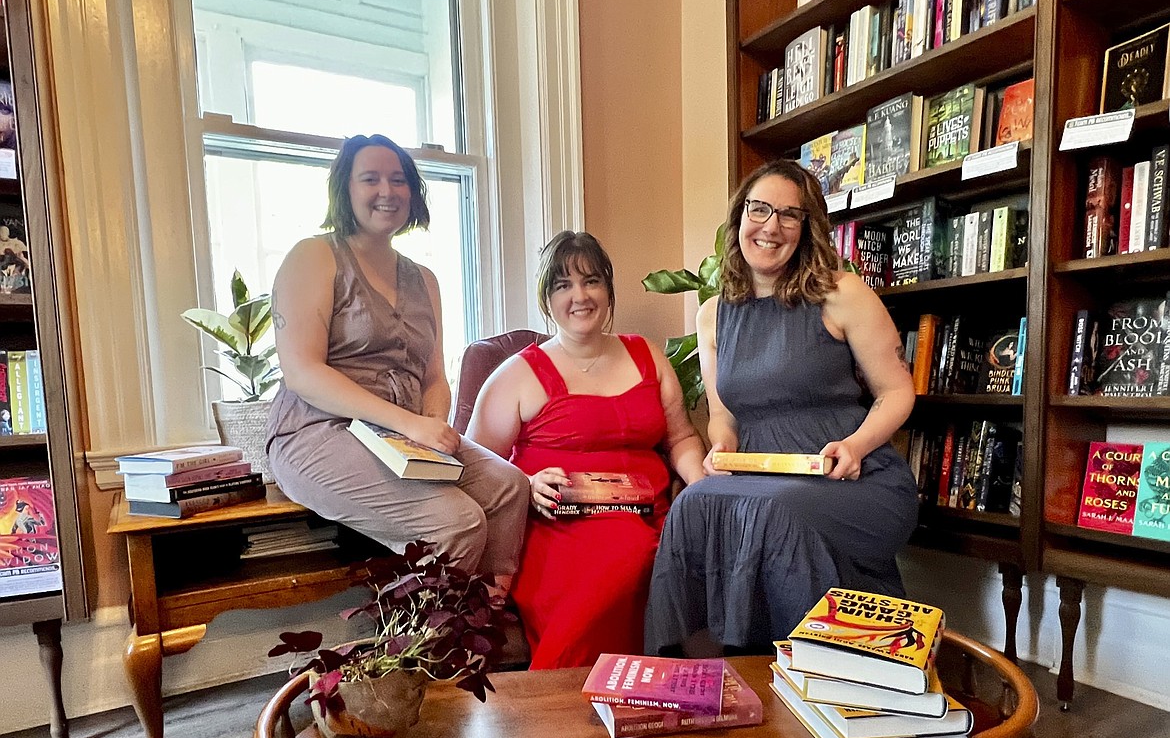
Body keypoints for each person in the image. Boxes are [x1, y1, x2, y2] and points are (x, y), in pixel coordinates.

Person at [644, 159, 919, 656]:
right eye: (759, 209)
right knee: (692, 504)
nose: (771, 226)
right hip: (760, 473)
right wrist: (722, 445)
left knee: (780, 511)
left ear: (807, 227)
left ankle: (821, 673)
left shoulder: (841, 294)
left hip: (851, 476)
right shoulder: (713, 315)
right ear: (739, 218)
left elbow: (897, 392)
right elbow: (725, 414)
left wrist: (856, 446)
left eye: (789, 215)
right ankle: (704, 674)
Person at [265, 134, 528, 576]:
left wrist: (433, 431)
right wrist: (409, 425)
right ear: (345, 190)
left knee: (509, 487)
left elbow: (433, 377)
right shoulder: (314, 256)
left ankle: (489, 611)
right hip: (319, 432)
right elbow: (303, 373)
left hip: (402, 439)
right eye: (370, 179)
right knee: (458, 523)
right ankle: (430, 641)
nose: (387, 191)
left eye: (399, 180)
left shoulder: (424, 279)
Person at [467, 231, 706, 668]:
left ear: (608, 290)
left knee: (683, 550)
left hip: (652, 514)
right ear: (547, 298)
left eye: (591, 281)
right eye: (563, 285)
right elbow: (473, 464)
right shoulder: (517, 374)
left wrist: (701, 483)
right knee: (630, 557)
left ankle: (659, 701)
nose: (580, 296)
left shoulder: (647, 354)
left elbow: (682, 438)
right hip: (560, 528)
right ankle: (563, 703)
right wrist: (525, 482)